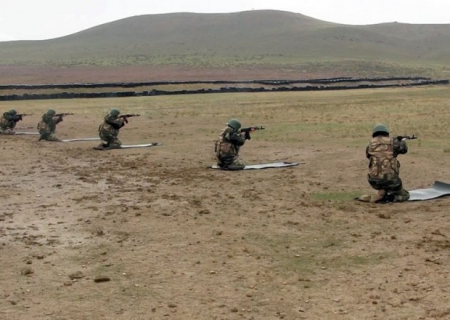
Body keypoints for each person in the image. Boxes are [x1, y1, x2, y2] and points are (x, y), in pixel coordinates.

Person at [358, 124, 410, 203]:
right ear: (386, 133)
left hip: (374, 181)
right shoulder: (394, 142)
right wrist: (401, 141)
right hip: (392, 181)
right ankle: (390, 198)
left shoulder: (370, 144)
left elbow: (369, 156)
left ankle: (382, 193)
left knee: (382, 179)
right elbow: (404, 150)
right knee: (405, 195)